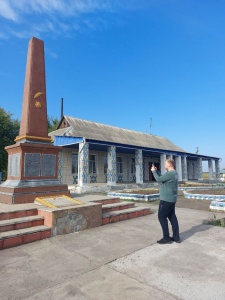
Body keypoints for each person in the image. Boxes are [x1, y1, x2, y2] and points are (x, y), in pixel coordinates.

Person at [151, 159, 180, 244]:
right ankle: (176, 237)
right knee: (172, 216)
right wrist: (157, 171)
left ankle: (166, 237)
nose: (164, 165)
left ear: (170, 164)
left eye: (165, 164)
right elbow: (162, 178)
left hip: (166, 199)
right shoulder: (174, 173)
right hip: (171, 199)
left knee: (161, 216)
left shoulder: (171, 173)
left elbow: (159, 180)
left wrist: (153, 171)